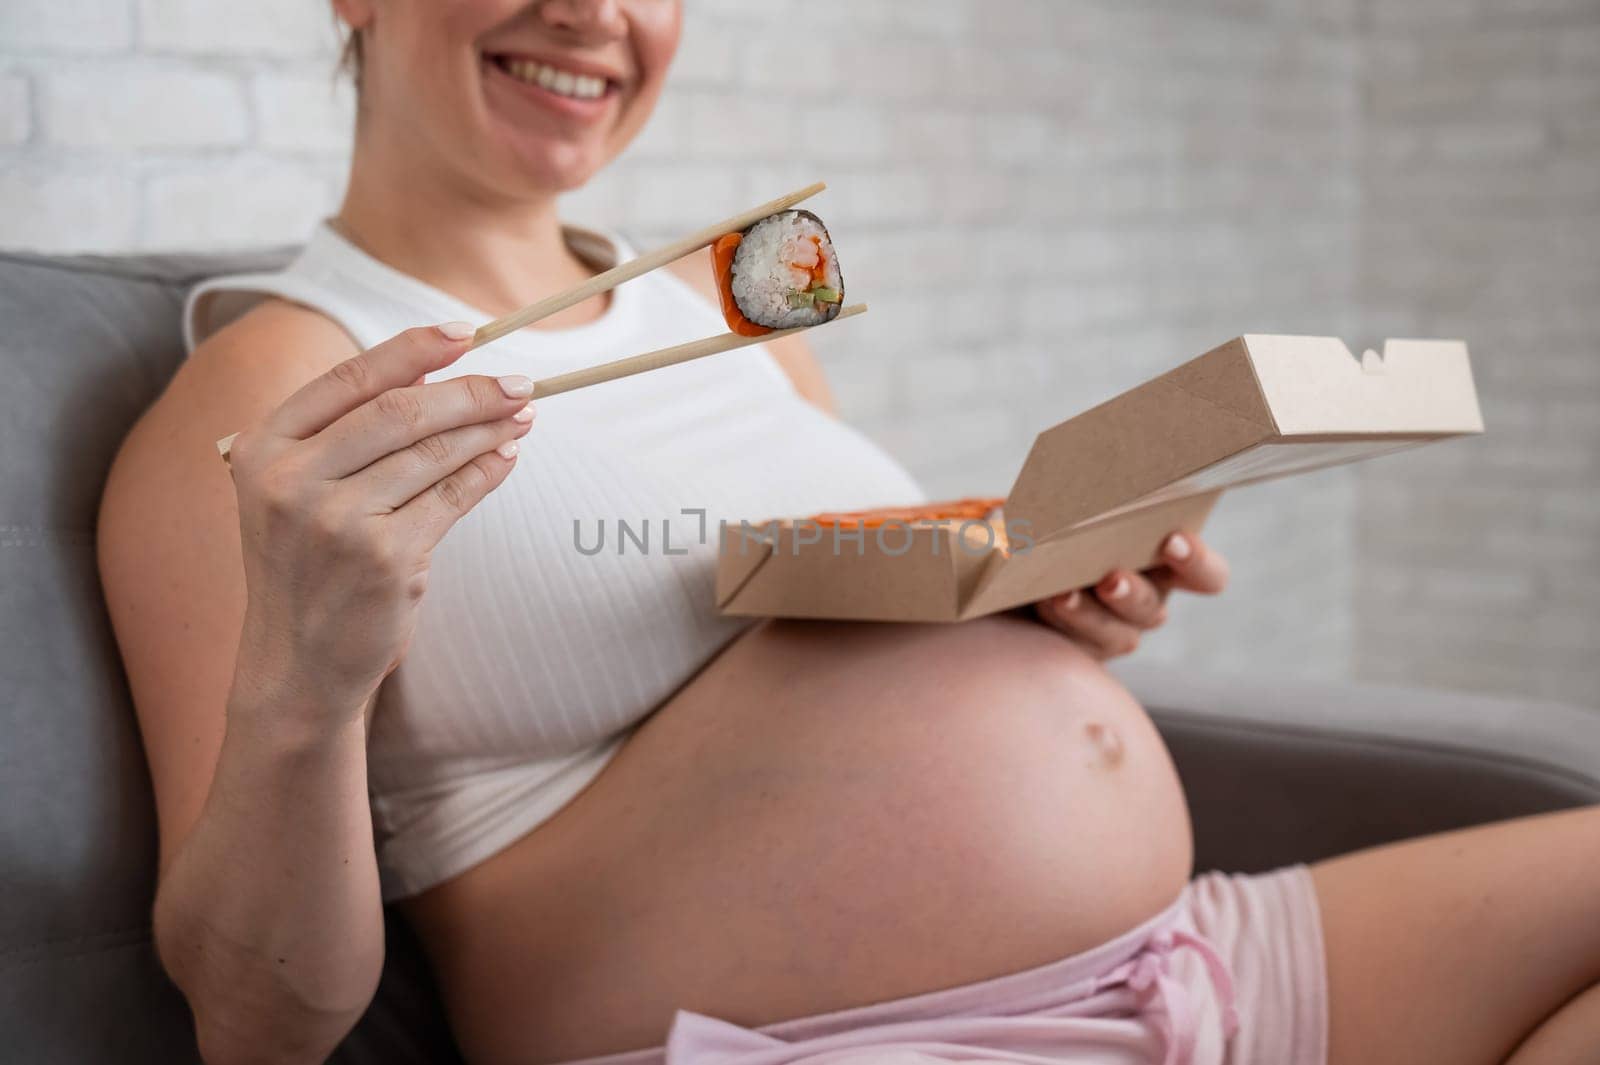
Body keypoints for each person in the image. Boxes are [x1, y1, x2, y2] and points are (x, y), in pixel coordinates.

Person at [96, 2, 1600, 1064]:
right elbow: (256, 1021)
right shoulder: (268, 406)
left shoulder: (727, 305)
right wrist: (305, 679)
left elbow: (823, 654)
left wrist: (1039, 596)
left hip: (1184, 964)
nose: (589, 11)